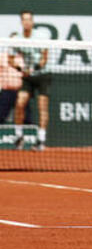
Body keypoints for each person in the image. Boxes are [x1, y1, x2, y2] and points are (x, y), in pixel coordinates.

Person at [11, 11, 49, 149]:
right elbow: (10, 59)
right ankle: (18, 136)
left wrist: (33, 68)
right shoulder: (17, 39)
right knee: (20, 103)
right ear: (21, 22)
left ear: (32, 22)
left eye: (29, 19)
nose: (27, 22)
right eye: (24, 20)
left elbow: (45, 58)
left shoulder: (41, 37)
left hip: (43, 75)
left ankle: (41, 140)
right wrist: (20, 68)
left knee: (42, 106)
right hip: (27, 76)